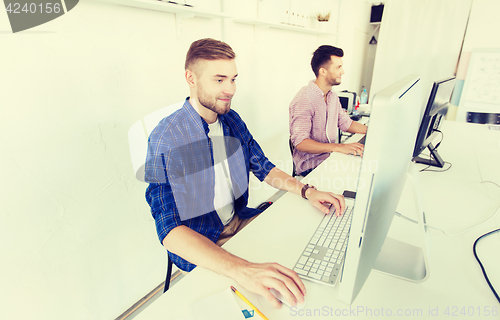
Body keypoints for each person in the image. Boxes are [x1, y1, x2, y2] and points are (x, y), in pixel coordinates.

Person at [144, 38, 345, 308]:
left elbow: (261, 165)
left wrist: (306, 190)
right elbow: (169, 230)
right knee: (271, 297)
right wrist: (242, 270)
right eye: (219, 80)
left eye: (233, 79)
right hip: (204, 241)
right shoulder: (167, 137)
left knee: (306, 253)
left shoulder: (231, 120)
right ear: (190, 78)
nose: (230, 89)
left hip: (239, 220)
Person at [289, 45, 368, 177]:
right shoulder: (304, 99)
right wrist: (338, 147)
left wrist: (374, 131)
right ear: (323, 71)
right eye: (338, 67)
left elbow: (346, 124)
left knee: (365, 166)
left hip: (330, 158)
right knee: (361, 174)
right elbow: (301, 143)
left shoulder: (332, 96)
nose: (342, 72)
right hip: (311, 167)